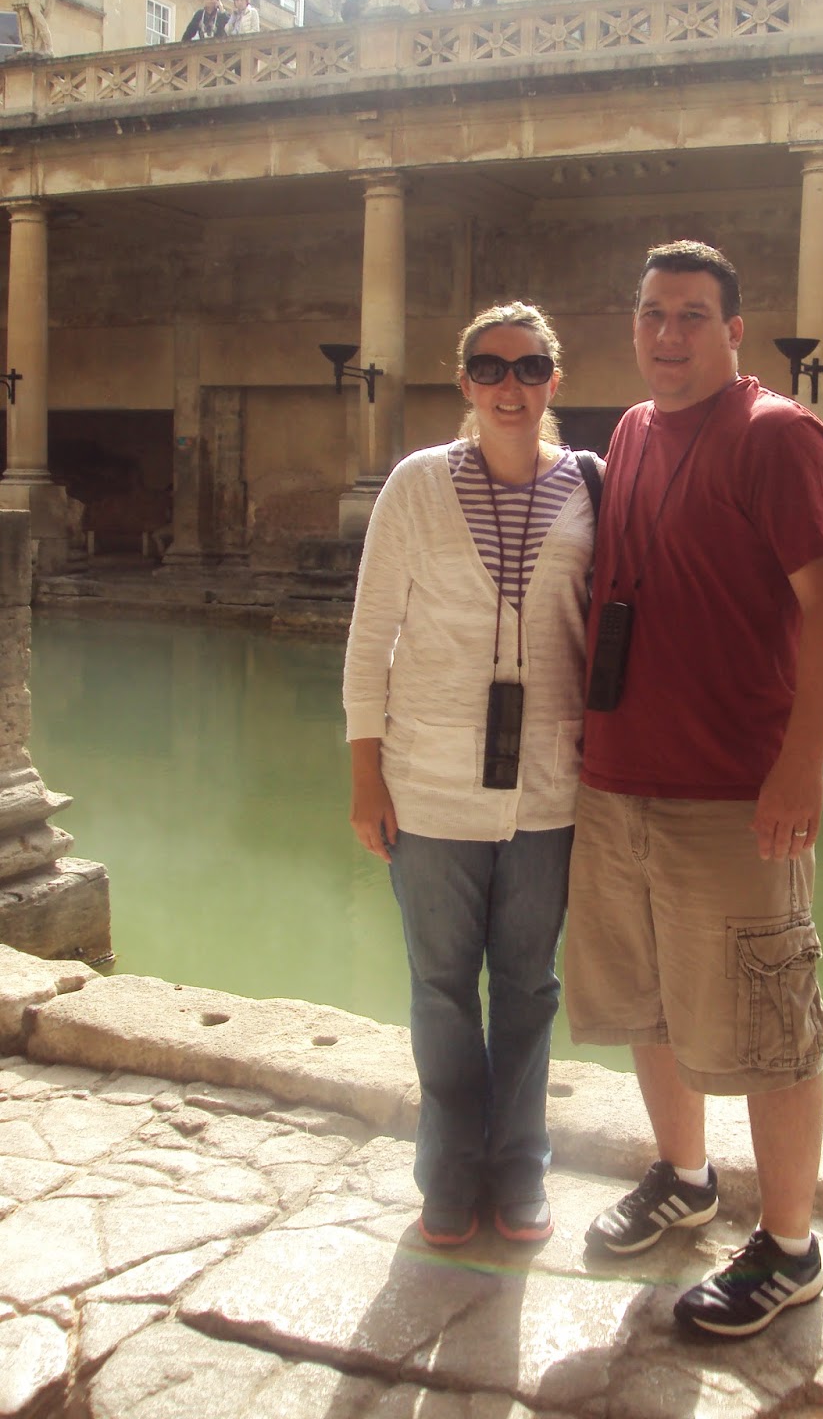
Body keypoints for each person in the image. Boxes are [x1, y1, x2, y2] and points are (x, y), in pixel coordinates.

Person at [565, 240, 823, 1339]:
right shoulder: (632, 431)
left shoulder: (779, 435)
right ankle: (684, 1179)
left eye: (692, 314)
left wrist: (800, 763)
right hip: (618, 780)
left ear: (734, 331)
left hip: (734, 792)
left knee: (770, 1023)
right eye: (652, 313)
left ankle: (791, 1247)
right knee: (646, 1003)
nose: (668, 333)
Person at [343, 303, 597, 1251]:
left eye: (528, 368)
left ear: (553, 382)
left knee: (529, 987)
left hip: (549, 787)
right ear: (465, 384)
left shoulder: (591, 485)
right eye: (490, 368)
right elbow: (370, 637)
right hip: (430, 783)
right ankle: (449, 1174)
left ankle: (519, 1170)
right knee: (443, 988)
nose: (509, 386)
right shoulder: (416, 484)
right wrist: (366, 776)